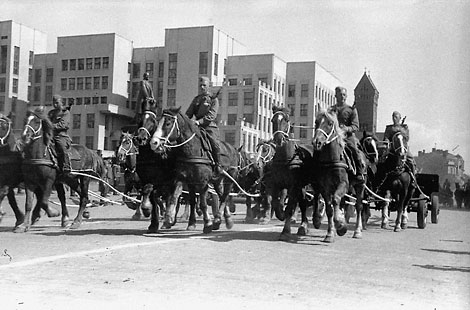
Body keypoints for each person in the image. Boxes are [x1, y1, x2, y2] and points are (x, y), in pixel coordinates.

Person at [186, 76, 222, 174]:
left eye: (204, 85)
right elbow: (188, 114)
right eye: (200, 85)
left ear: (209, 86)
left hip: (209, 127)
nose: (202, 87)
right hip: (197, 127)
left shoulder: (213, 100)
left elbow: (211, 116)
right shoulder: (196, 99)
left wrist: (198, 122)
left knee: (214, 144)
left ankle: (217, 165)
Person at [330, 86, 366, 179]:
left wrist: (346, 128)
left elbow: (356, 126)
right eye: (340, 94)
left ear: (346, 96)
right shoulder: (331, 110)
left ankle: (359, 173)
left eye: (344, 95)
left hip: (347, 137)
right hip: (333, 137)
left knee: (354, 149)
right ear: (335, 96)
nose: (342, 97)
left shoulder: (351, 109)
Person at [383, 111, 417, 180]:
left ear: (399, 118)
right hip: (393, 149)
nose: (394, 119)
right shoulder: (389, 128)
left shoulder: (404, 128)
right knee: (382, 162)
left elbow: (407, 138)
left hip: (403, 148)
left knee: (411, 161)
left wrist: (400, 132)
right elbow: (386, 137)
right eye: (393, 117)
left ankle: (413, 180)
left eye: (396, 117)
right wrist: (387, 141)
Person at [48, 95, 72, 174]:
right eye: (53, 103)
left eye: (57, 103)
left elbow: (63, 125)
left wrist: (51, 126)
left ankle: (66, 165)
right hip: (50, 135)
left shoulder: (65, 112)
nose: (54, 105)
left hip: (61, 135)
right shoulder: (51, 113)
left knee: (61, 147)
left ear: (61, 103)